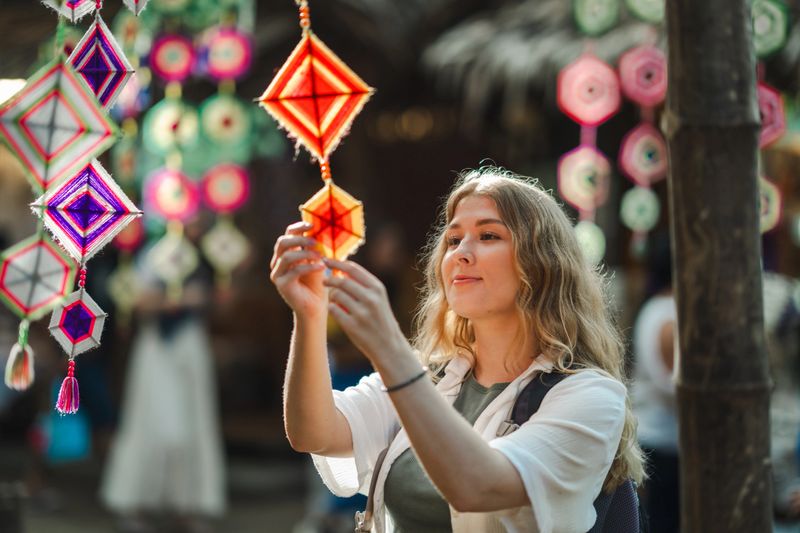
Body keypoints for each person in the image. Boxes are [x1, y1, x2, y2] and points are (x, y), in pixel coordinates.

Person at [270, 166, 645, 532]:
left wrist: (389, 349)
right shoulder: (433, 378)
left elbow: (479, 487)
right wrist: (309, 315)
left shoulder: (592, 397)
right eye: (453, 240)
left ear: (543, 263)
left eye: (488, 236)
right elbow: (312, 433)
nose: (461, 253)